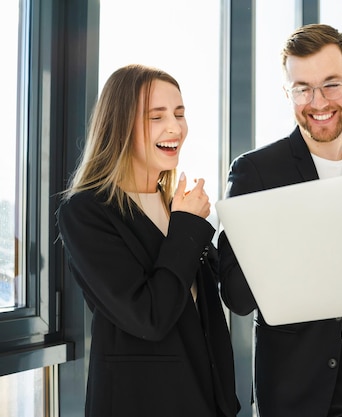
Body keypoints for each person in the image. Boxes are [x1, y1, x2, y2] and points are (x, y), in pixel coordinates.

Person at [218, 24, 342, 417]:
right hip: (297, 385)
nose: (317, 101)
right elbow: (236, 296)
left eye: (331, 84)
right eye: (302, 88)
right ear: (288, 93)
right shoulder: (257, 172)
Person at [56, 64, 239, 417]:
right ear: (120, 125)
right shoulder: (86, 212)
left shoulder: (175, 208)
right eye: (157, 116)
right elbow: (148, 317)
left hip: (206, 402)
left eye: (179, 113)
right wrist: (187, 226)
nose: (175, 127)